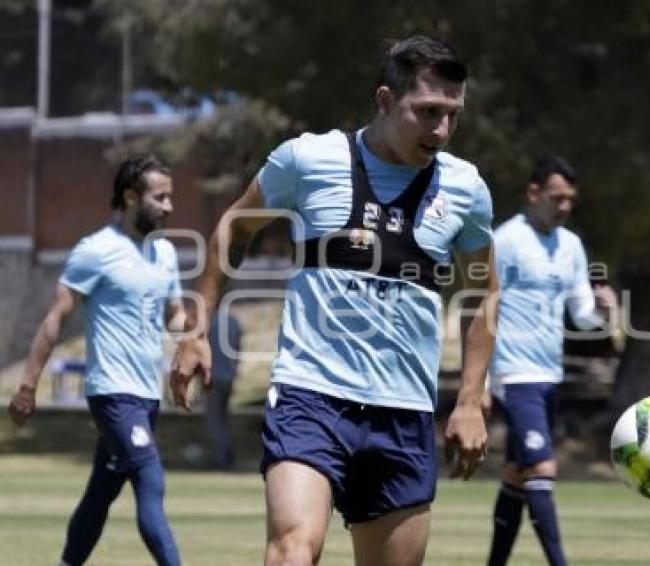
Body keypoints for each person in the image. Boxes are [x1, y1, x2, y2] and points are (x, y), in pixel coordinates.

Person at [170, 35, 498, 566]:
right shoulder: (308, 158)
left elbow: (485, 294)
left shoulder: (466, 189)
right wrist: (195, 329)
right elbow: (235, 229)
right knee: (294, 549)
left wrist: (468, 400)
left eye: (452, 115)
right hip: (310, 395)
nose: (440, 130)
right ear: (386, 100)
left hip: (404, 411)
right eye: (427, 112)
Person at [8, 155, 184, 566]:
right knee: (150, 478)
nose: (169, 207)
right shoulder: (95, 250)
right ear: (129, 197)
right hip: (112, 392)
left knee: (101, 492)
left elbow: (174, 313)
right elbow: (57, 317)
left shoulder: (166, 254)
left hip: (147, 395)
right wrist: (28, 385)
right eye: (159, 198)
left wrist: (193, 342)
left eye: (170, 198)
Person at [485, 156, 616, 566]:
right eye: (556, 198)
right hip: (513, 373)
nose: (563, 206)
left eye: (570, 200)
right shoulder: (504, 241)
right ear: (534, 193)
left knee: (517, 475)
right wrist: (484, 383)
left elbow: (581, 315)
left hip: (548, 374)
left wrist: (603, 310)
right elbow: (482, 308)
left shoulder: (571, 245)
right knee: (542, 467)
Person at [204, 307, 242, 470]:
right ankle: (228, 454)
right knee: (223, 418)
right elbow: (237, 350)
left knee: (215, 419)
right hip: (229, 375)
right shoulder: (234, 322)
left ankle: (220, 459)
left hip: (213, 376)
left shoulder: (208, 322)